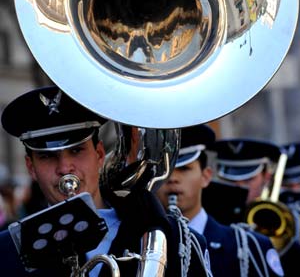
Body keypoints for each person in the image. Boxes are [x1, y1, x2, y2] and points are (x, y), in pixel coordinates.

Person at [0, 85, 211, 276]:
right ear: (31, 167)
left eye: (76, 150)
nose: (64, 168)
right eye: (47, 157)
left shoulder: (175, 239)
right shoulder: (6, 252)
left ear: (100, 154)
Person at [156, 124, 284, 277]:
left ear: (206, 176)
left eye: (185, 169)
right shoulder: (140, 243)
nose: (173, 178)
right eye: (165, 170)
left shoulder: (249, 247)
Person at [213, 137, 300, 276]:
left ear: (266, 176)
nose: (239, 186)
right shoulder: (211, 216)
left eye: (248, 179)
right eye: (229, 179)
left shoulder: (281, 218)